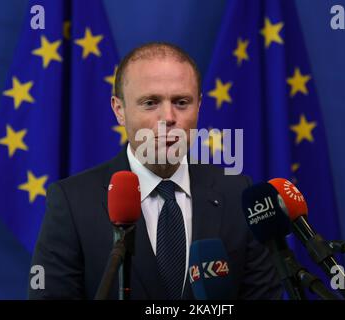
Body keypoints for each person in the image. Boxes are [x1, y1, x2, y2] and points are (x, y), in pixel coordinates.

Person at [28, 42, 283, 300]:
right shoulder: (73, 201)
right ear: (119, 110)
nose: (168, 117)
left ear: (199, 106)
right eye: (150, 103)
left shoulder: (237, 194)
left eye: (182, 102)